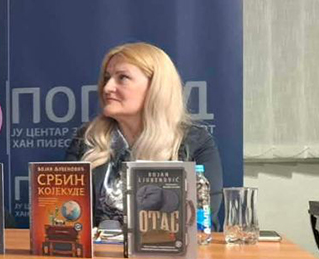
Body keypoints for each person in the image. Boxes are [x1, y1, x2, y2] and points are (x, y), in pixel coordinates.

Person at [65, 42, 223, 228]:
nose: (107, 88)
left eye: (122, 78)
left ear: (155, 87)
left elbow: (203, 222)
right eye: (107, 78)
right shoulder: (87, 139)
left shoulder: (195, 142)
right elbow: (68, 215)